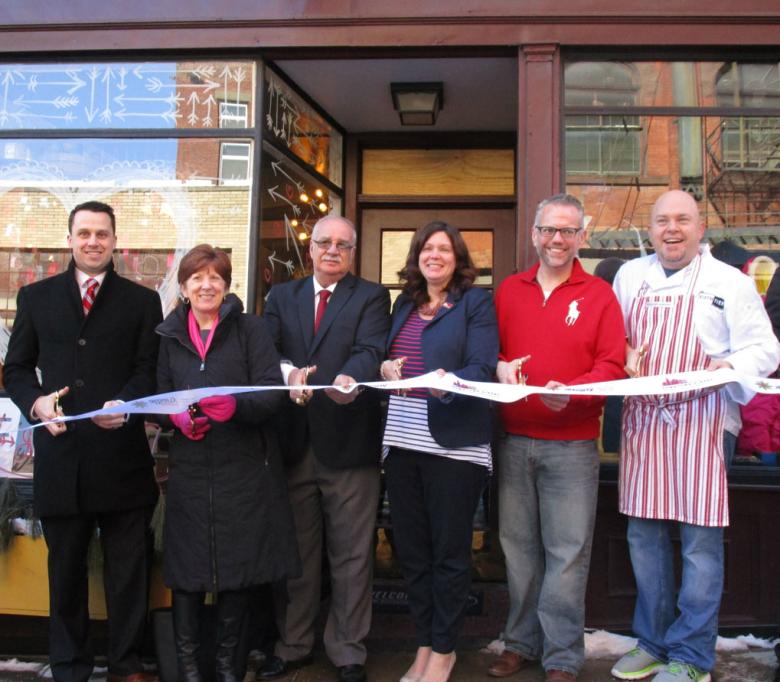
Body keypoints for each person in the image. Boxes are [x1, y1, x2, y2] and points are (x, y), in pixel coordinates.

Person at [610, 190, 780, 682]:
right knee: (645, 539)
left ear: (700, 227)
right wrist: (620, 353)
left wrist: (731, 363)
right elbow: (610, 337)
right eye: (663, 220)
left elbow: (765, 349)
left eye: (682, 219)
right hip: (643, 421)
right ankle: (654, 643)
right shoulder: (629, 277)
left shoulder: (729, 282)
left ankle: (692, 656)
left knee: (698, 544)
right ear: (651, 228)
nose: (672, 229)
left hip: (704, 424)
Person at [3, 201, 162, 682]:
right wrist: (37, 405)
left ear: (116, 241)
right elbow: (15, 370)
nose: (93, 242)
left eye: (102, 234)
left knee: (128, 575)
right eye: (84, 233)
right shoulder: (36, 297)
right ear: (69, 239)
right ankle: (69, 665)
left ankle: (126, 663)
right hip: (62, 457)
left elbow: (148, 370)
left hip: (122, 460)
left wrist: (126, 404)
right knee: (66, 571)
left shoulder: (142, 300)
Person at [485, 194, 625, 682]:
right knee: (518, 549)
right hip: (515, 439)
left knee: (567, 553)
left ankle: (562, 656)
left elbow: (612, 365)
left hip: (572, 443)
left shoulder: (600, 294)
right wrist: (498, 367)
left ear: (582, 237)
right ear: (534, 234)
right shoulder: (508, 291)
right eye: (549, 230)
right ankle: (520, 642)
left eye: (567, 231)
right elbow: (489, 355)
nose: (557, 239)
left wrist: (580, 394)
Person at [154, 244, 300, 682]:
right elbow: (159, 394)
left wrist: (234, 406)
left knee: (238, 575)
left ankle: (228, 671)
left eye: (215, 277)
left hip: (244, 473)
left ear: (227, 285)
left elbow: (272, 393)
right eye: (197, 278)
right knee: (186, 576)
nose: (206, 285)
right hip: (190, 471)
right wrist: (175, 417)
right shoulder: (167, 335)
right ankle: (190, 673)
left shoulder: (251, 330)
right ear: (183, 287)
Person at [261, 215, 390, 682]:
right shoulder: (282, 296)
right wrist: (287, 372)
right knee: (297, 552)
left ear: (353, 253)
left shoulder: (372, 296)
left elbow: (371, 349)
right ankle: (293, 644)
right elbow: (265, 350)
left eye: (343, 244)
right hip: (293, 442)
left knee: (352, 554)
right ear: (309, 248)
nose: (333, 250)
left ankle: (348, 650)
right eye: (324, 243)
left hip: (349, 441)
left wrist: (349, 377)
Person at [379, 221, 498, 682]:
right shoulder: (403, 304)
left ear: (458, 258)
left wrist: (443, 384)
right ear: (417, 256)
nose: (435, 256)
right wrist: (387, 366)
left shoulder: (475, 303)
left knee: (449, 555)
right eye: (428, 249)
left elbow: (483, 367)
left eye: (445, 250)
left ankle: (445, 650)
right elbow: (390, 358)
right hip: (403, 443)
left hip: (454, 448)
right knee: (412, 552)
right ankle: (425, 642)